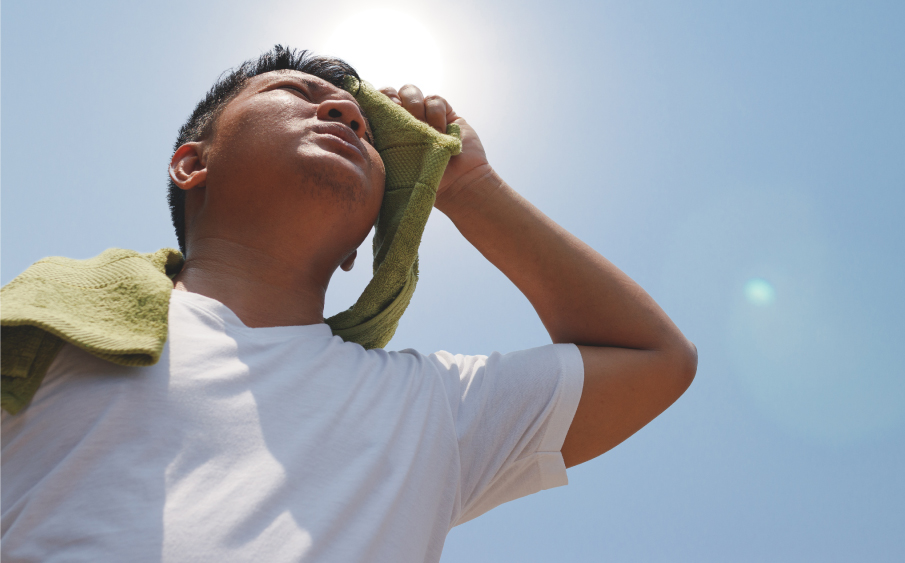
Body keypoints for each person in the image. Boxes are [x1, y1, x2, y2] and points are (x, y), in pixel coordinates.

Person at [1, 46, 697, 562]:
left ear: (358, 245)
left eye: (367, 132)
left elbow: (655, 359)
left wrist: (470, 185)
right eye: (297, 93)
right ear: (192, 164)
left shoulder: (429, 407)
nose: (340, 113)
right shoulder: (47, 328)